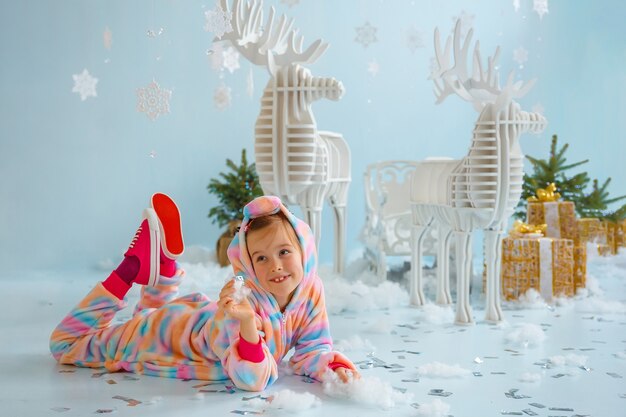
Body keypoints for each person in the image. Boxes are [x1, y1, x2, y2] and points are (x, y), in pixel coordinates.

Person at [50, 193, 358, 391]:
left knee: (146, 316)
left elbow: (311, 348)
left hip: (188, 320)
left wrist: (332, 366)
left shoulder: (310, 289)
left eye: (284, 252)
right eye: (261, 258)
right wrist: (248, 323)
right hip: (167, 337)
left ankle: (163, 266)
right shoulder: (244, 303)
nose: (275, 266)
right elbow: (250, 379)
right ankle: (131, 269)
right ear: (248, 265)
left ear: (305, 250)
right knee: (65, 345)